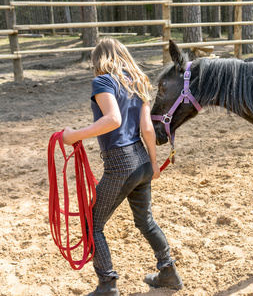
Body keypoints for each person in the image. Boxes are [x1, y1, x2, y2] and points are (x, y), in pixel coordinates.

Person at [62, 38, 183, 295]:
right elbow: (148, 129)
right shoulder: (138, 82)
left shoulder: (103, 81)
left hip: (120, 163)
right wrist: (153, 164)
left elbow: (113, 120)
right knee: (145, 221)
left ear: (100, 60)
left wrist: (75, 135)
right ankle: (168, 272)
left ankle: (107, 284)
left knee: (92, 224)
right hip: (141, 161)